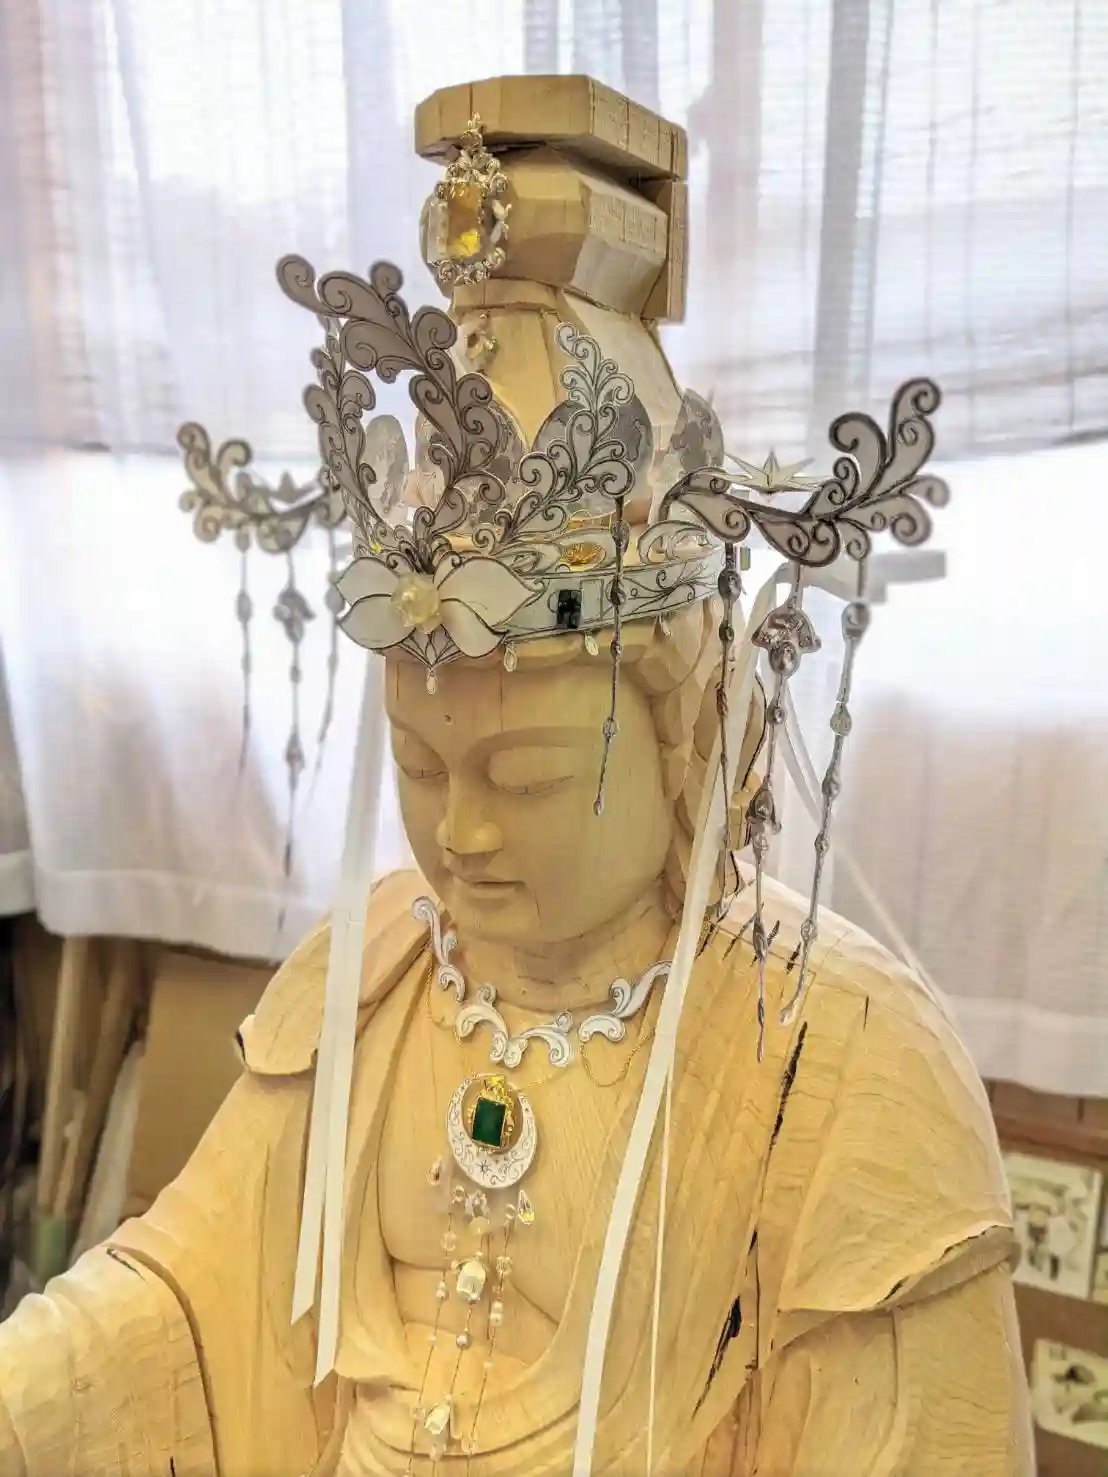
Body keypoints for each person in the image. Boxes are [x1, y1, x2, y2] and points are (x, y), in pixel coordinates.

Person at [0, 76, 1033, 1476]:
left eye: (531, 774)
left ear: (691, 736)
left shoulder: (843, 1058)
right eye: (419, 766)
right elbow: (182, 1305)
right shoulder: (373, 974)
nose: (462, 834)